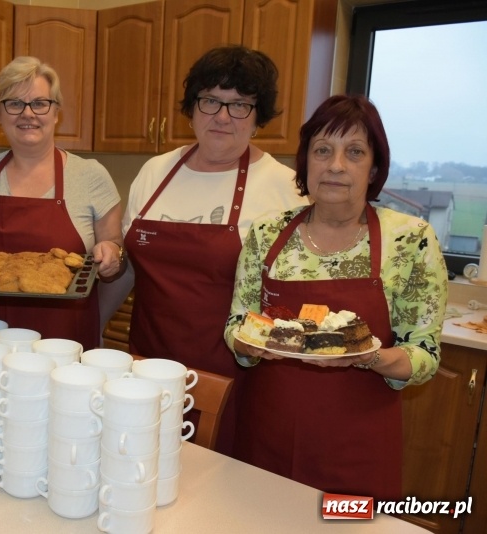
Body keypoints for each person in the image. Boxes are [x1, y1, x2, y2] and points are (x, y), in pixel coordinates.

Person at [225, 94, 448, 501]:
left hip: (357, 449)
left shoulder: (410, 240)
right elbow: (238, 323)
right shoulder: (267, 232)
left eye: (355, 152)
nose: (336, 165)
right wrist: (247, 343)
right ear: (305, 161)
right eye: (323, 150)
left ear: (374, 167)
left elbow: (425, 354)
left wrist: (368, 356)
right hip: (266, 436)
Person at [101, 45, 308, 455]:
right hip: (147, 366)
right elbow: (129, 270)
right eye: (211, 100)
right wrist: (92, 327)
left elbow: (294, 301)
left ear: (258, 116)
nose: (223, 116)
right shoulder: (154, 171)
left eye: (240, 105)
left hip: (236, 375)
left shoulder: (285, 188)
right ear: (192, 107)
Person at [0, 56, 123, 349]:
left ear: (56, 112)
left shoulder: (90, 176)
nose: (28, 114)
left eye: (39, 103)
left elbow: (114, 245)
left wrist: (111, 253)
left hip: (63, 343)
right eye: (14, 104)